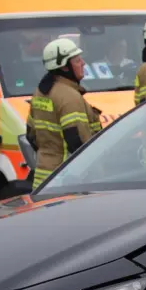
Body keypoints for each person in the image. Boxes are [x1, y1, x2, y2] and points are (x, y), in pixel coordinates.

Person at [26, 37, 102, 189]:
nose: (83, 63)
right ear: (64, 67)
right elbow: (78, 143)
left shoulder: (40, 93)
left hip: (43, 179)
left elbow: (31, 135)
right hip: (65, 181)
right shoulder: (69, 97)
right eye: (77, 60)